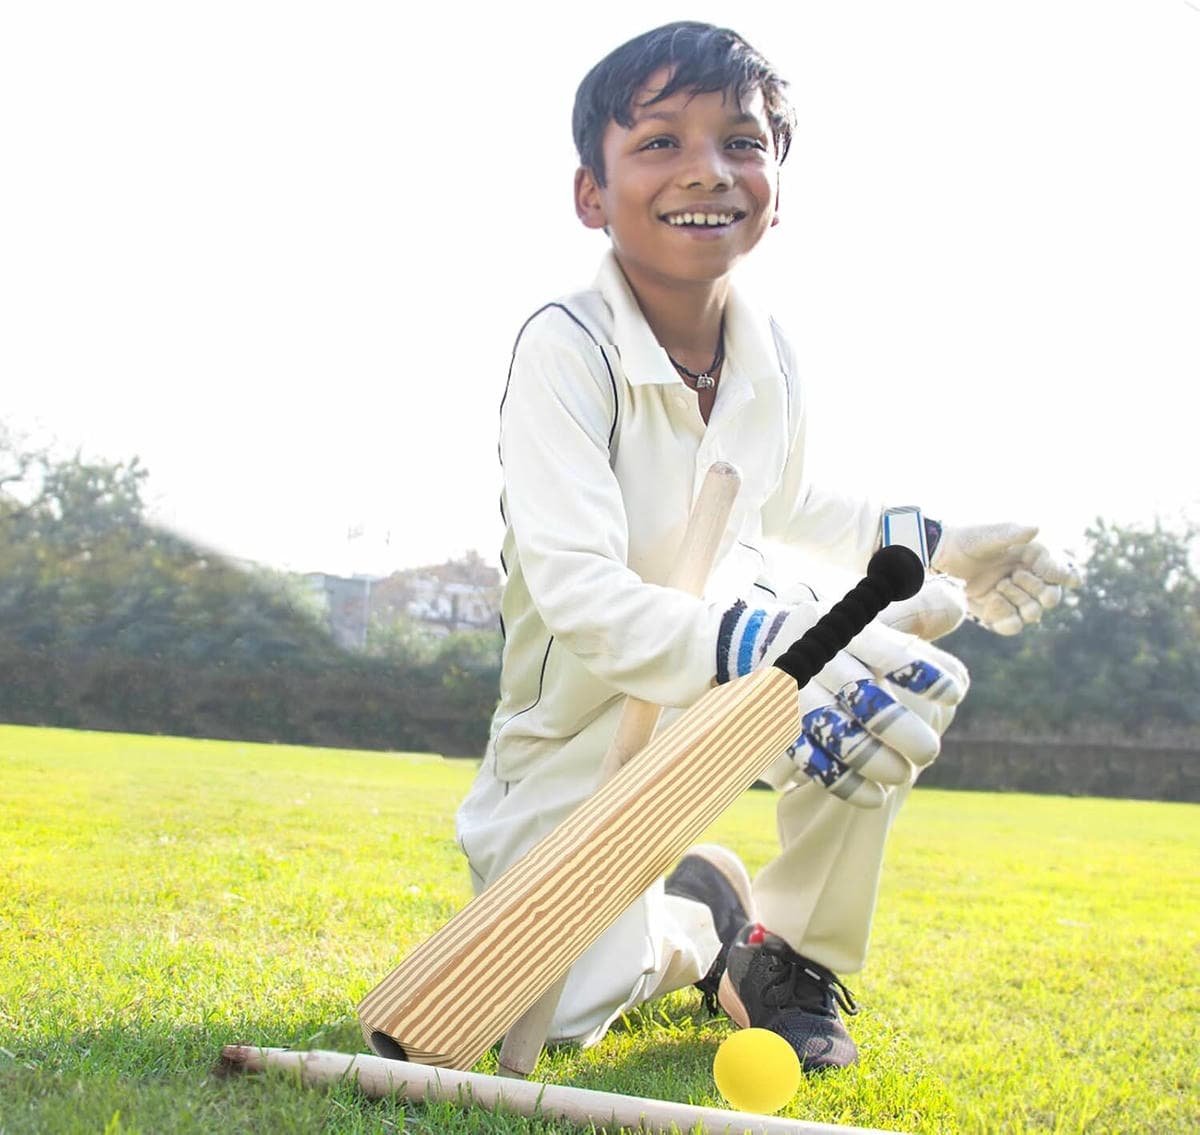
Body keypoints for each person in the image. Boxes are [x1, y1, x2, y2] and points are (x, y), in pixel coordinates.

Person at [455, 21, 1078, 1071]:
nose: (706, 170)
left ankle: (786, 953)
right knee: (562, 1009)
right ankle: (699, 922)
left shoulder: (767, 351)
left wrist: (940, 546)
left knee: (898, 683)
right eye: (660, 141)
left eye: (740, 143)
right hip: (578, 732)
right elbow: (581, 596)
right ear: (591, 194)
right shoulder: (566, 346)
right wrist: (763, 643)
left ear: (776, 189)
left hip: (729, 686)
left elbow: (796, 502)